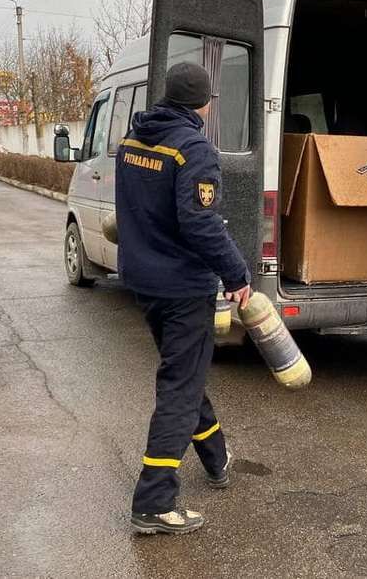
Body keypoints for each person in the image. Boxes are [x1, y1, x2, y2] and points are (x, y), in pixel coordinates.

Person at [115, 61, 252, 534]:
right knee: (179, 386)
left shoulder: (133, 140)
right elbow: (200, 222)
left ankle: (216, 457)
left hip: (144, 281)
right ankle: (154, 502)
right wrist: (236, 273)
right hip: (182, 287)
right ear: (205, 103)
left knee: (185, 373)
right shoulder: (193, 148)